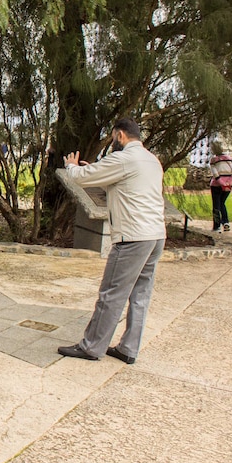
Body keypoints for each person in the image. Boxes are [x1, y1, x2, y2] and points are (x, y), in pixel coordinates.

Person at [57, 118, 166, 365]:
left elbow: (82, 177)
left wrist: (73, 166)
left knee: (111, 293)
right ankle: (128, 349)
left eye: (113, 137)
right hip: (156, 235)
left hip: (133, 237)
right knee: (140, 294)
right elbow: (126, 186)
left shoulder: (125, 158)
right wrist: (97, 171)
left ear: (120, 135)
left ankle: (92, 347)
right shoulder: (151, 160)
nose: (112, 141)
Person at [209, 140, 232, 232]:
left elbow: (215, 173)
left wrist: (221, 182)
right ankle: (226, 222)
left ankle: (216, 226)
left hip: (216, 186)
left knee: (216, 206)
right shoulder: (230, 158)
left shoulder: (214, 160)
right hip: (228, 186)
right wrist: (228, 182)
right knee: (222, 203)